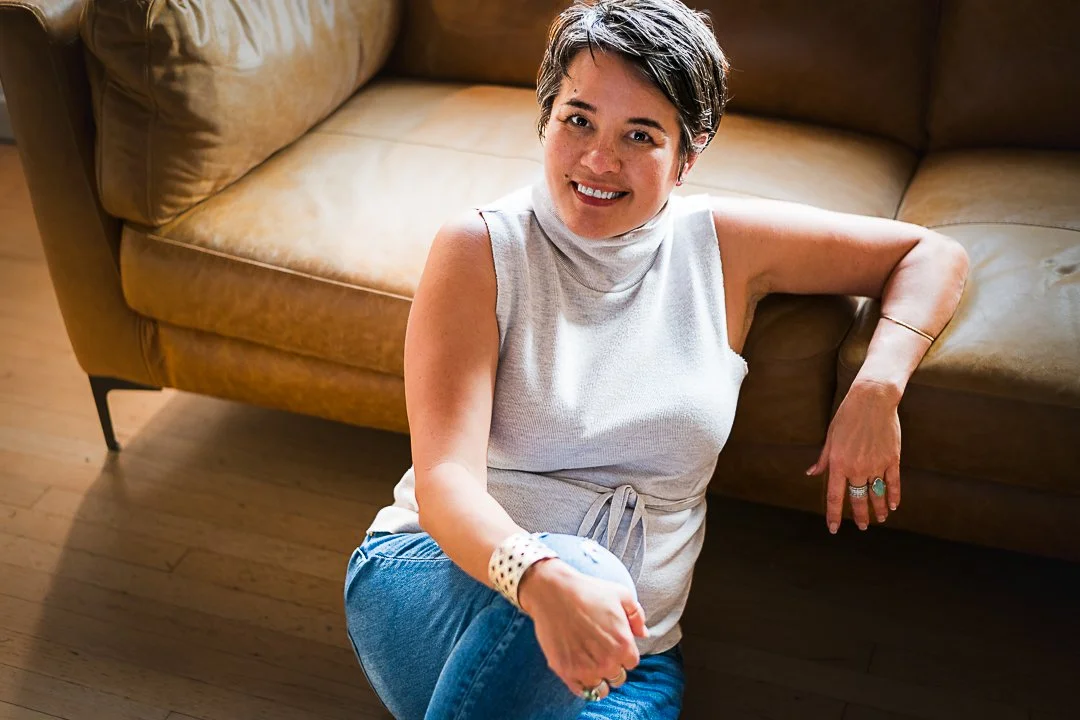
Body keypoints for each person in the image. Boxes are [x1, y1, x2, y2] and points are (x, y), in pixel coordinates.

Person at [343, 0, 969, 717]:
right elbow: (445, 480)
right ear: (545, 119)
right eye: (577, 119)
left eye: (639, 134)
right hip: (436, 578)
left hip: (633, 655)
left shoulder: (723, 247)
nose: (598, 160)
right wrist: (548, 579)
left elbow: (930, 252)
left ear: (687, 156)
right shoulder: (480, 248)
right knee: (581, 572)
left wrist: (876, 385)